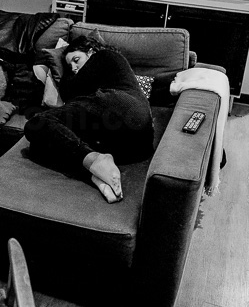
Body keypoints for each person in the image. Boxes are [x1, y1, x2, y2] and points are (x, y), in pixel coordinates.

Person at [24, 35, 154, 203]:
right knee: (41, 147)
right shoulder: (112, 73)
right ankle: (95, 175)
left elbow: (68, 91)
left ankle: (95, 160)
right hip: (137, 147)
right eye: (69, 66)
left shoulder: (104, 56)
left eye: (76, 60)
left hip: (121, 106)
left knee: (36, 124)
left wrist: (60, 72)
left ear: (91, 51)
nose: (73, 68)